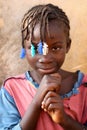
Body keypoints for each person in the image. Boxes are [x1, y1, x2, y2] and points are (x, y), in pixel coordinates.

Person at [0, 3, 87, 130]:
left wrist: (64, 120)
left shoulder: (84, 88)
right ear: (24, 46)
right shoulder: (12, 89)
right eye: (35, 48)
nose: (45, 59)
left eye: (55, 48)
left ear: (67, 45)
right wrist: (36, 102)